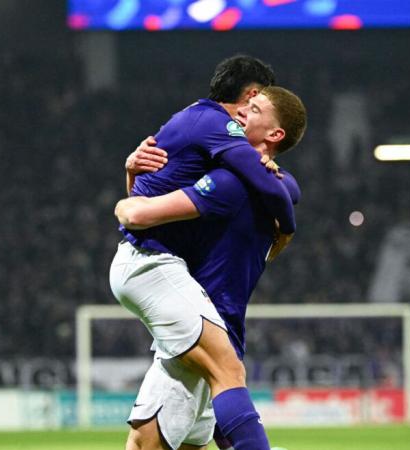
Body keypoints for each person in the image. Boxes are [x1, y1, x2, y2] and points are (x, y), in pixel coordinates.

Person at [109, 55, 295, 450]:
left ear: (275, 133)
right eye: (251, 103)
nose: (245, 114)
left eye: (257, 109)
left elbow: (141, 209)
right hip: (167, 279)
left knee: (153, 442)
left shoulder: (252, 181)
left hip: (200, 309)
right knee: (226, 372)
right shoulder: (248, 178)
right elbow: (141, 212)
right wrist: (130, 187)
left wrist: (129, 198)